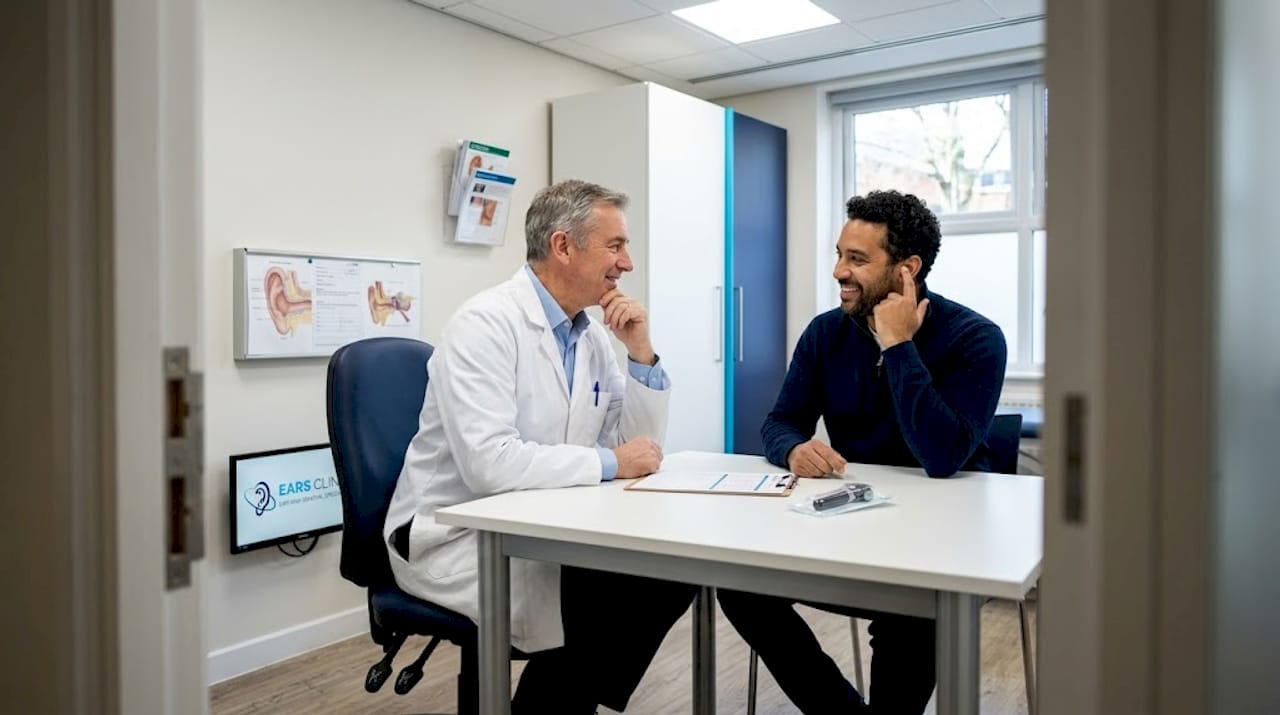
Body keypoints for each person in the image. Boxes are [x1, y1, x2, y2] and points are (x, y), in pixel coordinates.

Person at [383, 179, 697, 713]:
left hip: (545, 523)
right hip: (459, 531)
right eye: (615, 246)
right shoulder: (485, 325)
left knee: (673, 569)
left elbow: (636, 449)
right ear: (563, 246)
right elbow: (490, 465)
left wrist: (640, 353)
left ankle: (551, 703)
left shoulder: (592, 337)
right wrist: (611, 463)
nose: (628, 264)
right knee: (602, 596)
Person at [718, 189, 1007, 714]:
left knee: (912, 616)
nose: (838, 272)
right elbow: (780, 422)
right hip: (851, 533)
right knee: (739, 586)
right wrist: (793, 449)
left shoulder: (976, 340)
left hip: (937, 551)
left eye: (856, 259)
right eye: (838, 254)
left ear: (907, 269)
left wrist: (898, 346)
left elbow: (942, 457)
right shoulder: (827, 333)